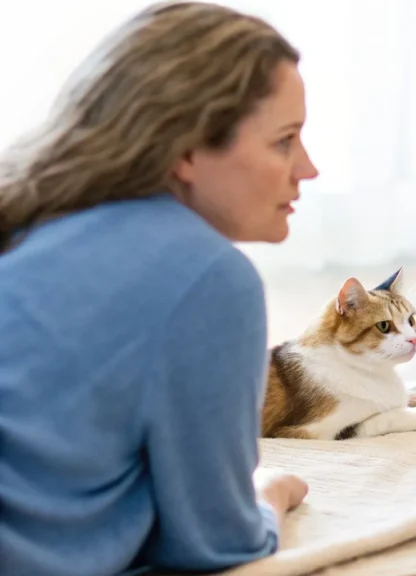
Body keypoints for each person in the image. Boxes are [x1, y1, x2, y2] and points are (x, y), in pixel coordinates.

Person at [0, 2, 318, 574]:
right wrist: (269, 492)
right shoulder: (208, 277)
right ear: (188, 150)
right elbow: (216, 543)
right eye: (284, 141)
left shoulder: (28, 218)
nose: (308, 168)